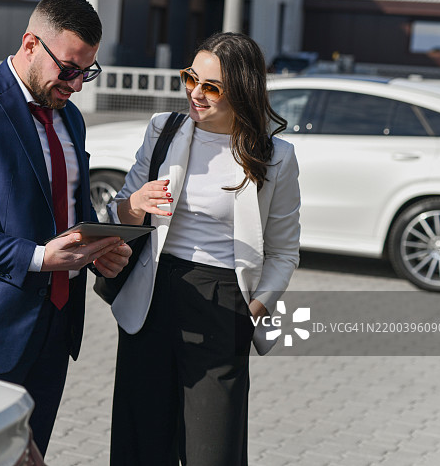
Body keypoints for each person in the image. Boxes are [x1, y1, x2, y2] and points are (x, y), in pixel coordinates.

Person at [0, 0, 132, 455]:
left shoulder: (71, 118)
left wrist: (98, 249)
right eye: (70, 70)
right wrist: (37, 257)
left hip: (56, 327)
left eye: (87, 72)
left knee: (29, 457)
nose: (76, 86)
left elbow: (73, 210)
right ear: (31, 44)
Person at [106, 32, 301, 465]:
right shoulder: (163, 130)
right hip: (152, 295)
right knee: (141, 445)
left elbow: (285, 250)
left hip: (222, 301)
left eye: (211, 87)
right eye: (190, 78)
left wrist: (256, 306)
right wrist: (134, 205)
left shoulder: (275, 156)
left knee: (213, 450)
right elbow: (118, 212)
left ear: (242, 91)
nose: (195, 93)